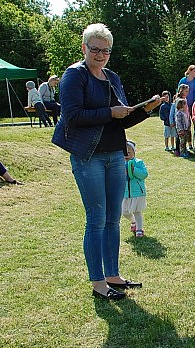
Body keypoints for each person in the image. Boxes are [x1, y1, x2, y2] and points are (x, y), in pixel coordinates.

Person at [53, 22, 160, 300]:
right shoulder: (74, 75)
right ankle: (98, 283)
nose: (101, 55)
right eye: (95, 49)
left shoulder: (112, 77)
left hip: (115, 154)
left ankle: (113, 275)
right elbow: (72, 116)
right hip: (88, 157)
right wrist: (110, 112)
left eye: (106, 51)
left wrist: (146, 109)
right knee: (97, 219)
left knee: (113, 218)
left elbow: (121, 118)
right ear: (84, 48)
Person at [122, 140, 148, 238]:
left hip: (137, 193)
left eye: (129, 152)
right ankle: (133, 221)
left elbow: (144, 174)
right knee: (125, 212)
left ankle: (139, 229)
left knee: (137, 212)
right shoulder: (120, 164)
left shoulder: (138, 162)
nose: (126, 155)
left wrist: (134, 170)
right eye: (124, 153)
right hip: (125, 193)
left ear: (134, 152)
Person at [169, 84, 190, 156]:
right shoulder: (178, 100)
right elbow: (173, 111)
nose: (187, 92)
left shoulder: (185, 99)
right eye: (186, 91)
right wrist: (172, 121)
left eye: (188, 91)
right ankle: (178, 150)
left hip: (185, 121)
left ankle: (184, 150)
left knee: (185, 137)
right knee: (179, 137)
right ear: (181, 91)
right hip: (179, 122)